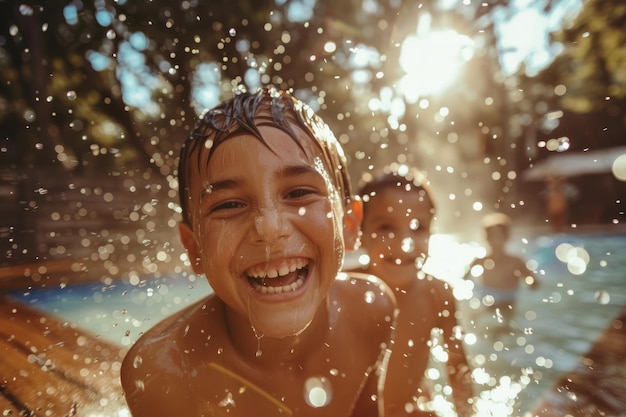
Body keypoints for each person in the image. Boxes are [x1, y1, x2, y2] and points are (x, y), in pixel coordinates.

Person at [120, 88, 397, 417]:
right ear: (195, 249)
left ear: (349, 225)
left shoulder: (371, 311)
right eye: (230, 204)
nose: (268, 227)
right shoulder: (166, 371)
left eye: (298, 193)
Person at [353, 165, 474, 417]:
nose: (405, 243)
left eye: (418, 227)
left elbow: (458, 369)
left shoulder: (438, 294)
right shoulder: (346, 289)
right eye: (386, 227)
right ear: (360, 232)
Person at [465, 212, 538, 330]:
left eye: (499, 236)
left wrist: (530, 282)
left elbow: (532, 280)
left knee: (507, 328)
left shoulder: (516, 262)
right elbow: (464, 278)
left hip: (507, 302)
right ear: (486, 238)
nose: (495, 240)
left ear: (506, 237)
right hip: (486, 302)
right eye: (492, 236)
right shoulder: (480, 261)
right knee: (474, 324)